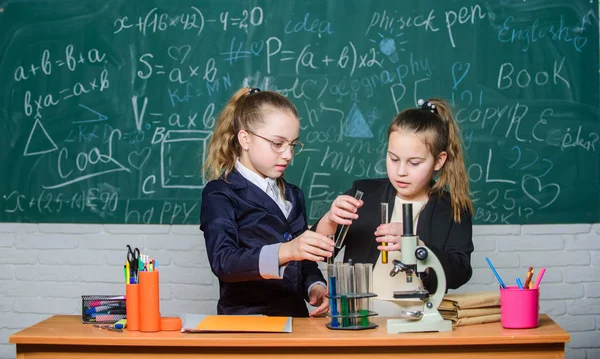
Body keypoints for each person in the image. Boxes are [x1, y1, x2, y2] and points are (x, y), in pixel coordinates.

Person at [314, 98, 474, 316]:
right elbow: (320, 253)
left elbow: (460, 273)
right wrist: (330, 221)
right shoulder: (364, 194)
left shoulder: (453, 208)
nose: (401, 171)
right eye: (393, 158)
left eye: (414, 163)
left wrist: (418, 248)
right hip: (360, 316)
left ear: (439, 161)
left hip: (419, 317)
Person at [200, 87, 334, 317]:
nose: (288, 154)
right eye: (277, 143)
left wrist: (315, 286)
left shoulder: (293, 195)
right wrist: (286, 250)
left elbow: (303, 262)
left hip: (296, 322)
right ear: (245, 139)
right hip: (248, 327)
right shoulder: (220, 193)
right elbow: (224, 261)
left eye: (292, 144)